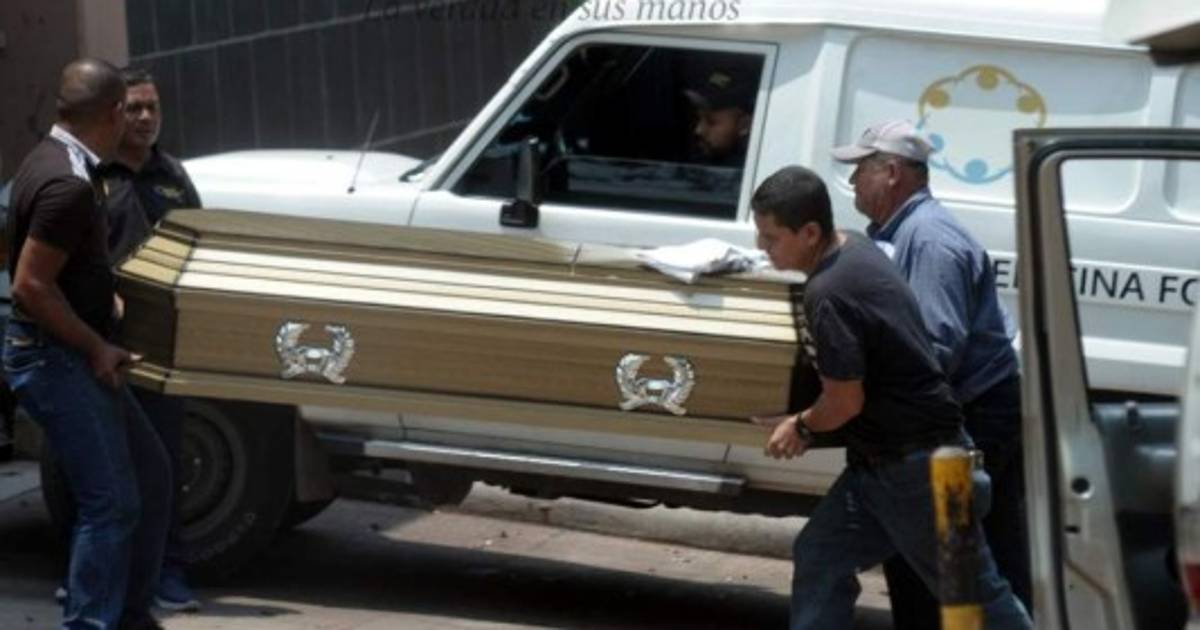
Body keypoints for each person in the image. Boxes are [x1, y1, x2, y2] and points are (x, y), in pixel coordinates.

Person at [748, 165, 1031, 630]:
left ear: (810, 232)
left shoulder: (828, 292)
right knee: (820, 556)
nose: (762, 247)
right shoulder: (857, 247)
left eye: (771, 237)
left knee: (974, 598)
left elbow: (845, 402)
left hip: (917, 473)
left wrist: (800, 425)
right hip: (892, 464)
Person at [831, 119, 1031, 628]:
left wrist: (874, 400)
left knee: (936, 548)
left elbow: (937, 348)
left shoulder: (929, 240)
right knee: (970, 552)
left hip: (973, 412)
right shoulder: (905, 233)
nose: (852, 181)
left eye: (860, 169)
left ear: (892, 173)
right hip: (973, 407)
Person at [3, 58, 172, 630]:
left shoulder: (55, 159)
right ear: (114, 112)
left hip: (70, 349)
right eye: (131, 108)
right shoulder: (67, 185)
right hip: (54, 358)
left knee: (151, 475)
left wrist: (108, 301)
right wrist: (97, 346)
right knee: (111, 503)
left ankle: (128, 615)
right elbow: (30, 285)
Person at [92, 66, 201, 612]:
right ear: (114, 113)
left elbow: (201, 246)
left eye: (152, 107)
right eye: (134, 108)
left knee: (165, 465)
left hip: (162, 345)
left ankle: (167, 573)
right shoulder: (92, 176)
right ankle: (96, 577)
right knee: (103, 468)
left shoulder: (173, 176)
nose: (144, 118)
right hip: (99, 342)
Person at [684, 67, 754, 166]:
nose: (698, 130)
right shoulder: (698, 161)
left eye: (711, 122)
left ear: (744, 125)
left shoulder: (752, 168)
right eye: (699, 119)